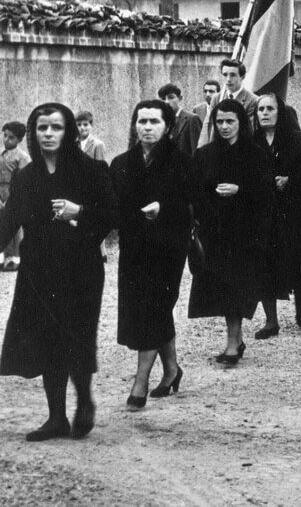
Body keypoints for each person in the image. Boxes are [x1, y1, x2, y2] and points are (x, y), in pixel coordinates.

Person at [0, 103, 118, 441]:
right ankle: (56, 417)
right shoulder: (26, 176)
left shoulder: (91, 170)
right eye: (42, 128)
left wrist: (78, 210)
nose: (48, 134)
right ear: (34, 132)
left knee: (77, 336)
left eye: (56, 127)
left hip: (81, 269)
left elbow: (113, 216)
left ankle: (84, 402)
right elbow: (8, 222)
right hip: (38, 272)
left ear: (68, 132)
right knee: (46, 338)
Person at [110, 99, 194, 409]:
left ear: (168, 126)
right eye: (141, 121)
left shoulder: (182, 162)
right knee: (150, 309)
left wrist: (165, 207)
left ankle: (140, 382)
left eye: (154, 121)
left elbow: (193, 201)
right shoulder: (120, 163)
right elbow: (113, 208)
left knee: (155, 307)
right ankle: (172, 370)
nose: (146, 127)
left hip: (169, 246)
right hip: (134, 248)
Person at [187, 99, 272, 365]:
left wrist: (240, 191)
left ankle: (233, 343)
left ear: (240, 123)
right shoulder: (204, 155)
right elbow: (195, 192)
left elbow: (267, 192)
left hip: (246, 233)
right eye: (220, 122)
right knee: (222, 288)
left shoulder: (256, 154)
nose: (224, 127)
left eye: (230, 121)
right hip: (215, 232)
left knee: (238, 287)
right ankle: (234, 339)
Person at [253, 93, 301, 338]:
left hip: (292, 212)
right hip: (263, 213)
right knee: (264, 264)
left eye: (269, 108)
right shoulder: (251, 142)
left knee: (295, 258)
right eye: (260, 109)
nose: (264, 113)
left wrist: (290, 180)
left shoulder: (296, 140)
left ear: (279, 112)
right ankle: (271, 321)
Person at [0, 121, 31, 271]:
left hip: (15, 193)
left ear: (19, 140)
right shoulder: (0, 153)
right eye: (4, 136)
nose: (6, 140)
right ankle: (1, 258)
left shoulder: (22, 157)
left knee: (14, 226)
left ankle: (14, 259)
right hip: (0, 192)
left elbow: (25, 179)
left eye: (11, 137)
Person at [157, 84, 202, 156]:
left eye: (171, 97)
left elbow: (197, 152)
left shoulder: (192, 119)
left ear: (180, 98)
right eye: (163, 99)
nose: (167, 102)